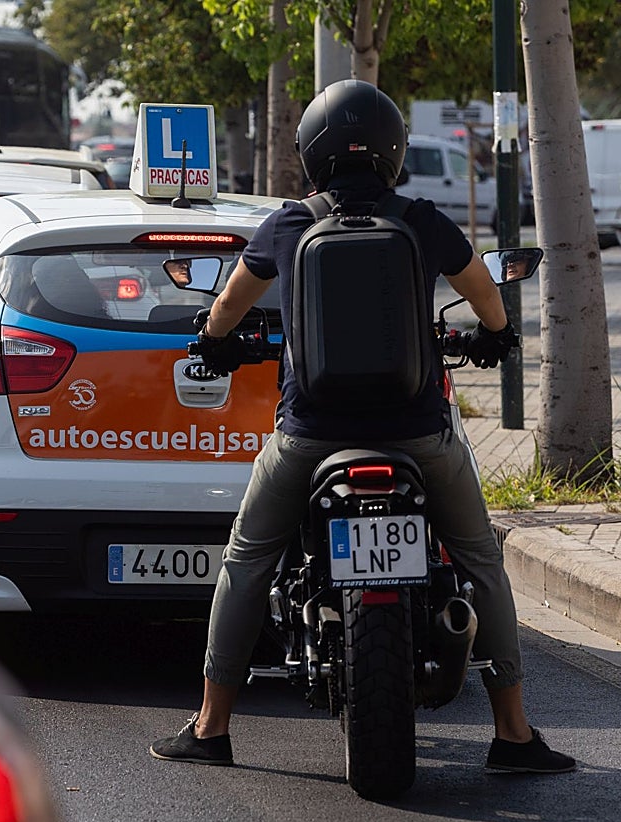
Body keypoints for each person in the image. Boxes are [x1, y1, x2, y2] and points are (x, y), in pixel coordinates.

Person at [149, 79, 576, 775]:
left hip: (310, 434)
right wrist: (495, 336)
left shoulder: (288, 225)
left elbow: (228, 303)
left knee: (246, 561)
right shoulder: (420, 219)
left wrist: (216, 342)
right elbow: (484, 294)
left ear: (311, 153)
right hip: (419, 434)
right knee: (481, 563)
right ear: (393, 150)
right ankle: (515, 733)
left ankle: (211, 725)